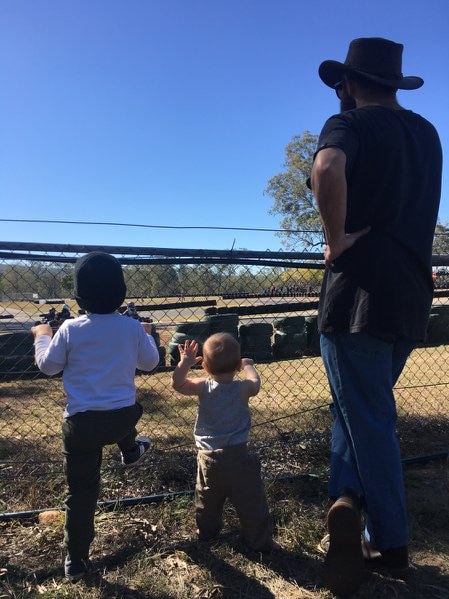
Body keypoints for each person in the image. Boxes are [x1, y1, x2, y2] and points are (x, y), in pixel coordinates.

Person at [310, 38, 442, 596]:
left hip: (356, 294)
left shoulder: (350, 126)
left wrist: (336, 240)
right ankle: (347, 504)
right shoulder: (427, 133)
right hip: (410, 295)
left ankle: (390, 544)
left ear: (349, 84)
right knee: (357, 408)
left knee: (371, 420)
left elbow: (327, 167)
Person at [32, 251, 160, 581]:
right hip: (121, 420)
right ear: (121, 293)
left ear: (78, 296)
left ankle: (75, 561)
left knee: (82, 493)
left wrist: (42, 336)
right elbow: (150, 363)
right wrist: (145, 333)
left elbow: (48, 366)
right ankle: (130, 449)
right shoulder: (131, 328)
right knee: (132, 410)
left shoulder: (72, 328)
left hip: (81, 426)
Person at [171, 333, 276, 552]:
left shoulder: (203, 386)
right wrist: (248, 366)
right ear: (237, 365)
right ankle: (258, 541)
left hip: (210, 459)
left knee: (207, 500)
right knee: (251, 502)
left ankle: (207, 534)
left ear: (206, 367)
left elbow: (178, 384)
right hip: (239, 457)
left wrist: (185, 363)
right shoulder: (243, 388)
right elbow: (255, 384)